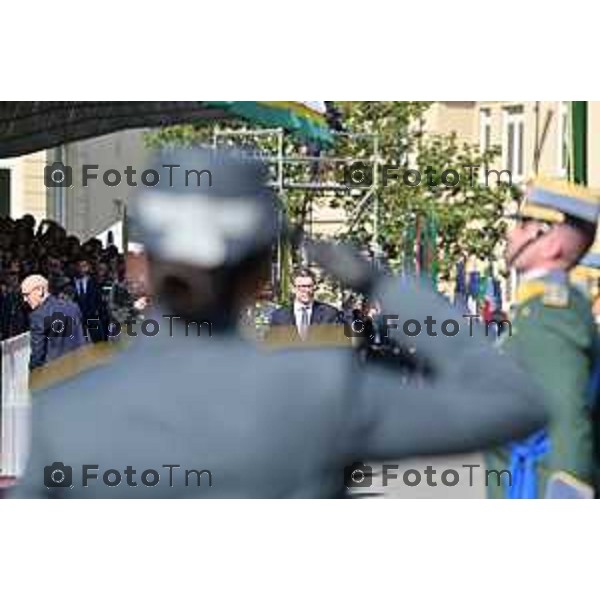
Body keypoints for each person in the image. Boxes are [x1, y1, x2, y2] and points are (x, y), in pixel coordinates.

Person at [10, 147, 547, 499]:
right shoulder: (318, 388)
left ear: (137, 264)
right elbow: (516, 402)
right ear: (262, 270)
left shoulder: (71, 404)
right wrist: (386, 287)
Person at [486, 178, 600, 499]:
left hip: (533, 487)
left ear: (551, 244)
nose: (512, 233)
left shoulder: (550, 312)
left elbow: (565, 414)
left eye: (524, 225)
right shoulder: (540, 307)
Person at [21, 274, 87, 370]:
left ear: (40, 290)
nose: (25, 299)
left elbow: (37, 354)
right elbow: (81, 336)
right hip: (80, 367)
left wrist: (33, 374)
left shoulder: (38, 316)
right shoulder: (73, 306)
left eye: (27, 295)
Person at [269, 267, 342, 341]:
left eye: (309, 286)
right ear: (293, 288)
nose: (307, 290)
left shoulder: (330, 314)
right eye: (302, 286)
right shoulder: (279, 316)